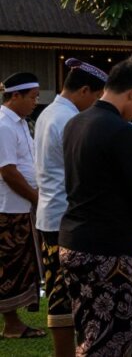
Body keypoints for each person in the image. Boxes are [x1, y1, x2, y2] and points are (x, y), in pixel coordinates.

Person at [60, 59, 132, 356]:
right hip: (108, 249)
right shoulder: (121, 130)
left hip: (72, 241)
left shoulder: (75, 122)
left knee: (89, 330)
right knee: (113, 338)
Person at [34, 59, 106, 354]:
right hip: (65, 215)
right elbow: (80, 172)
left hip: (51, 213)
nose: (94, 105)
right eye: (95, 98)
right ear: (85, 90)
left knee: (59, 290)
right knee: (67, 294)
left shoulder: (48, 112)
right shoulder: (68, 119)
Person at [0, 72, 43, 340]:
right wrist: (35, 198)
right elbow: (7, 170)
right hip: (8, 207)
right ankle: (12, 325)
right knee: (8, 268)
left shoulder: (19, 122)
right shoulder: (3, 124)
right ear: (15, 96)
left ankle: (13, 323)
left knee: (17, 266)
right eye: (32, 97)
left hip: (19, 204)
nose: (35, 102)